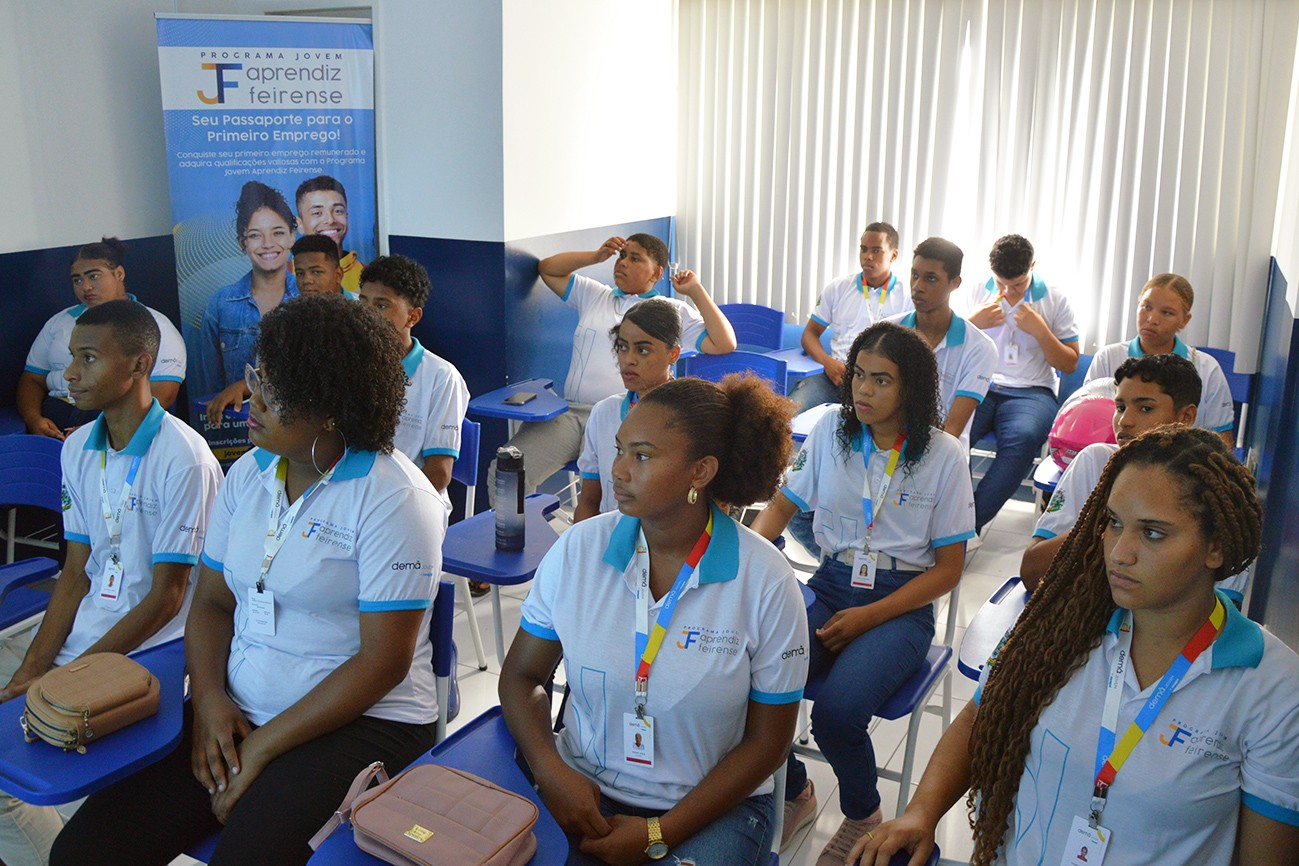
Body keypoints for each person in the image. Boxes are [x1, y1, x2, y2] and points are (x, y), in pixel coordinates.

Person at [51, 295, 449, 866]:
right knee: (83, 853)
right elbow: (211, 604)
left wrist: (261, 748)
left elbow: (382, 662)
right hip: (238, 707)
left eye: (274, 391)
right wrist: (211, 701)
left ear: (330, 406)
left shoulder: (395, 498)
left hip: (363, 723)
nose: (252, 401)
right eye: (256, 378)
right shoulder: (249, 474)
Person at [851, 427, 1299, 866]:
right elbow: (978, 717)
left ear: (1215, 548)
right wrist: (921, 813)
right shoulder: (1058, 630)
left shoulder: (1272, 688)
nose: (1119, 553)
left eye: (1153, 534)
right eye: (1114, 523)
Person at [500, 375, 808, 866]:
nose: (618, 470)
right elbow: (521, 677)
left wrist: (658, 833)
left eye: (641, 456)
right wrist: (551, 770)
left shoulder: (766, 582)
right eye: (619, 449)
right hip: (581, 791)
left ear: (700, 472)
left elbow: (768, 745)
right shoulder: (579, 550)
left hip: (707, 808)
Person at [0, 299, 220, 866]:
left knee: (14, 784)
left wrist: (70, 678)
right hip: (91, 639)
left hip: (154, 651)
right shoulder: (76, 447)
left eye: (89, 358)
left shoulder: (184, 458)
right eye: (72, 357)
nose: (69, 373)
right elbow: (75, 571)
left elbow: (168, 597)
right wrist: (32, 671)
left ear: (140, 365)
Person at [751, 321, 975, 865]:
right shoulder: (831, 431)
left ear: (912, 389)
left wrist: (871, 616)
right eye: (858, 376)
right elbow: (781, 509)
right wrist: (747, 562)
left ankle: (862, 815)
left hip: (903, 601)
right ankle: (797, 790)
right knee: (751, 686)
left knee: (837, 712)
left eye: (882, 381)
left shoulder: (942, 454)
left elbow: (947, 571)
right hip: (831, 582)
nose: (864, 391)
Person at [487, 234, 737, 501]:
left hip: (630, 417)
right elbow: (547, 268)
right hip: (572, 414)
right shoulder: (595, 295)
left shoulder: (670, 311)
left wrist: (696, 290)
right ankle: (519, 541)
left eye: (635, 258)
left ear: (657, 272)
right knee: (506, 472)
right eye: (622, 256)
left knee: (620, 492)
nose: (623, 263)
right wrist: (595, 256)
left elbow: (723, 343)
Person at [1021, 353, 1200, 591]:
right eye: (1120, 407)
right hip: (1082, 614)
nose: (1124, 421)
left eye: (1145, 408)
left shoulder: (1205, 485)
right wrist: (1108, 523)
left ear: (1185, 417)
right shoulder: (1096, 461)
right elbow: (1032, 572)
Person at [965, 234, 1080, 534]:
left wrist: (1042, 332)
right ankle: (950, 519)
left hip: (1032, 391)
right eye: (1001, 283)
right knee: (952, 437)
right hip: (981, 384)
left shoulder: (1054, 299)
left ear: (1033, 266)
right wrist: (971, 323)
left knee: (1022, 441)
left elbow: (1069, 364)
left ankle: (965, 528)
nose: (1007, 291)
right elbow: (954, 348)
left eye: (1016, 285)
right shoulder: (979, 289)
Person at [19, 237, 186, 437]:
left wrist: (102, 429)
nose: (86, 287)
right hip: (55, 418)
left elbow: (164, 392)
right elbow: (32, 380)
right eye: (77, 280)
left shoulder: (154, 325)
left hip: (113, 421)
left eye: (93, 276)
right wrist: (33, 419)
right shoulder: (58, 322)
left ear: (119, 274)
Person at [358, 255, 469, 506]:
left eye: (382, 305)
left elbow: (439, 474)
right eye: (363, 302)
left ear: (413, 317)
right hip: (355, 499)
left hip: (410, 503)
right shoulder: (349, 363)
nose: (366, 314)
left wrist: (380, 510)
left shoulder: (441, 377)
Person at [1085, 273, 1235, 447]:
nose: (1152, 319)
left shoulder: (1207, 368)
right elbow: (1086, 419)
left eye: (1166, 313)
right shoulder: (1108, 358)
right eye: (1146, 307)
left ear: (1184, 320)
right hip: (1111, 458)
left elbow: (1221, 440)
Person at [197, 181, 299, 421]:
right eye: (255, 235)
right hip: (237, 436)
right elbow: (208, 392)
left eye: (278, 232)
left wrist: (246, 384)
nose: (267, 244)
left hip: (297, 433)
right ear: (242, 243)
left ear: (293, 236)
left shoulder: (308, 302)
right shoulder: (220, 304)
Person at [573, 298, 682, 522]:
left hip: (669, 545)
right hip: (611, 540)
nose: (628, 360)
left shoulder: (689, 418)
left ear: (673, 354)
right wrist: (583, 551)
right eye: (622, 347)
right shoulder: (603, 413)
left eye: (643, 350)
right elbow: (589, 501)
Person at [789, 222, 914, 411]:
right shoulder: (838, 288)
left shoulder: (907, 296)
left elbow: (913, 349)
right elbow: (809, 335)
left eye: (876, 250)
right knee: (789, 411)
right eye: (863, 249)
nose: (867, 256)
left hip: (880, 383)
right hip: (836, 378)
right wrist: (828, 363)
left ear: (893, 255)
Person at [887, 237, 998, 447]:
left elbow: (952, 430)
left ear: (955, 283)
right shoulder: (888, 332)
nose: (917, 287)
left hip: (943, 458)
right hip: (886, 451)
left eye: (930, 278)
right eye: (915, 275)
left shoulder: (979, 348)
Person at [295, 175, 365, 294]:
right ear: (300, 224)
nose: (330, 220)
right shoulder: (281, 277)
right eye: (317, 213)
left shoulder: (367, 276)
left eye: (338, 211)